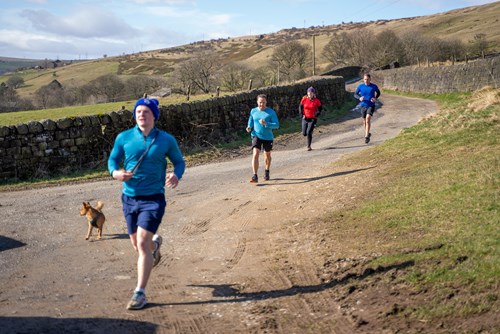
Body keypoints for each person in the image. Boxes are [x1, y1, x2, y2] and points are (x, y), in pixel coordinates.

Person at [108, 97, 185, 310]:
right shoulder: (124, 138)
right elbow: (112, 160)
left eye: (146, 112)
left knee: (142, 244)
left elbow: (179, 161)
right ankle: (156, 245)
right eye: (138, 112)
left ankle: (139, 293)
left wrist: (176, 175)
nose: (142, 115)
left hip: (153, 198)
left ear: (154, 116)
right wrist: (116, 173)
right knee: (138, 245)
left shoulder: (165, 140)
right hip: (129, 198)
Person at [246, 94, 280, 183]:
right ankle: (255, 175)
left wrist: (266, 123)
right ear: (257, 102)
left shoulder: (271, 112)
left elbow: (277, 125)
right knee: (255, 153)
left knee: (267, 155)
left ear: (266, 102)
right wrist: (249, 127)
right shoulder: (253, 111)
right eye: (260, 102)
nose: (262, 105)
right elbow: (251, 120)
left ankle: (267, 171)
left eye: (263, 103)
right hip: (256, 135)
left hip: (268, 137)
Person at [354, 73, 381, 144]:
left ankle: (366, 136)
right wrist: (359, 98)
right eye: (365, 79)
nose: (366, 81)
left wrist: (375, 98)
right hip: (363, 105)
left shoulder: (374, 86)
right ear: (363, 79)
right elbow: (355, 94)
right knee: (364, 121)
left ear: (370, 79)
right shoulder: (360, 86)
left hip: (371, 105)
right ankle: (367, 133)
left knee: (368, 118)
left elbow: (378, 93)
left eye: (367, 79)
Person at [299, 86, 323, 151]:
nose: (310, 93)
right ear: (307, 93)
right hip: (305, 118)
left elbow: (320, 108)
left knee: (309, 132)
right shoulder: (304, 99)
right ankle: (309, 134)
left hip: (312, 119)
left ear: (313, 93)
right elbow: (300, 107)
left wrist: (317, 114)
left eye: (311, 92)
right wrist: (301, 115)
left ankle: (309, 146)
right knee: (304, 133)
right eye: (309, 92)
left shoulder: (316, 101)